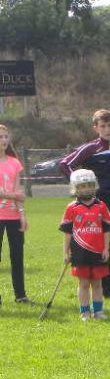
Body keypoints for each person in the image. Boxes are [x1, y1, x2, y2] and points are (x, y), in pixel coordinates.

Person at [60, 109, 110, 298]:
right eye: (103, 126)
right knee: (103, 251)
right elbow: (65, 164)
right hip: (96, 207)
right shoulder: (90, 148)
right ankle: (109, 290)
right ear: (96, 128)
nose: (107, 129)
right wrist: (80, 186)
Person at [59, 170, 110, 321]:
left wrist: (106, 249)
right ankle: (85, 312)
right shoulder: (72, 208)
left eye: (89, 185)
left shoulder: (101, 206)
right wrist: (66, 252)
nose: (86, 189)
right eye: (83, 186)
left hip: (98, 252)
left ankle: (98, 311)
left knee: (97, 284)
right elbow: (67, 233)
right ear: (76, 188)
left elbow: (106, 230)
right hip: (80, 253)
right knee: (83, 284)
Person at [0, 124, 29, 304]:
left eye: (5, 136)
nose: (3, 140)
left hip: (13, 217)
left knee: (17, 257)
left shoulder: (14, 162)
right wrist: (13, 196)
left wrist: (22, 214)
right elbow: (15, 194)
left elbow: (18, 191)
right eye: (0, 137)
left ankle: (20, 295)